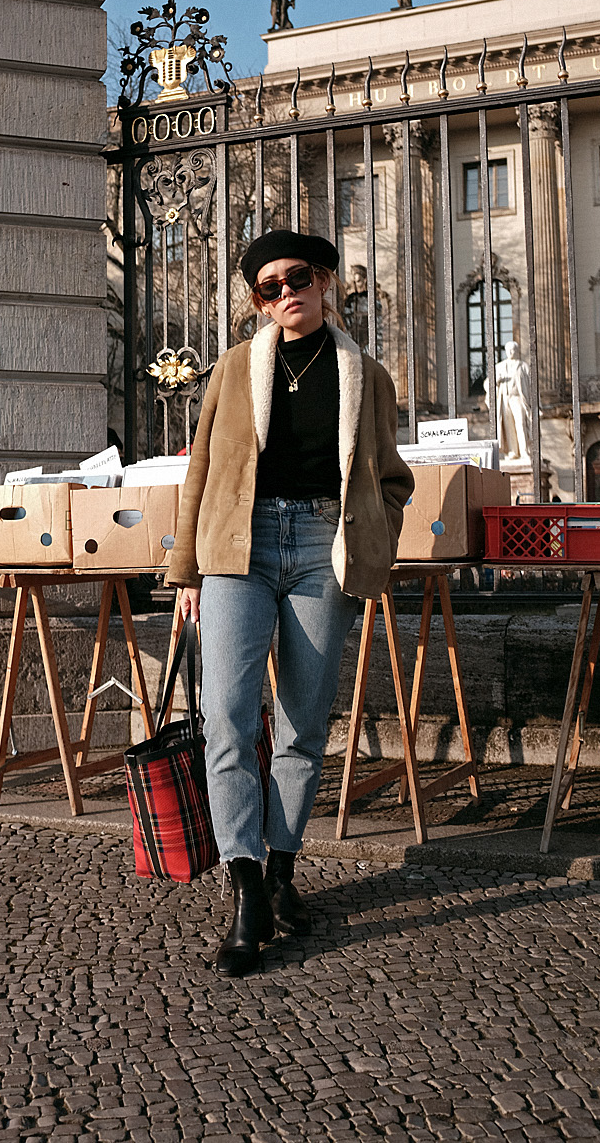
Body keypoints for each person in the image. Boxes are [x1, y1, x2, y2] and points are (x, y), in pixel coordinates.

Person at [167, 228, 414, 977]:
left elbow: (392, 478)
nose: (285, 294)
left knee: (305, 725)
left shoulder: (366, 376)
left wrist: (373, 535)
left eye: (297, 277)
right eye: (268, 287)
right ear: (256, 302)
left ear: (326, 280)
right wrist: (185, 574)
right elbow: (201, 468)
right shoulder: (233, 370)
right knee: (229, 723)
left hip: (319, 548)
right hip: (237, 549)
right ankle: (245, 889)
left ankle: (281, 874)